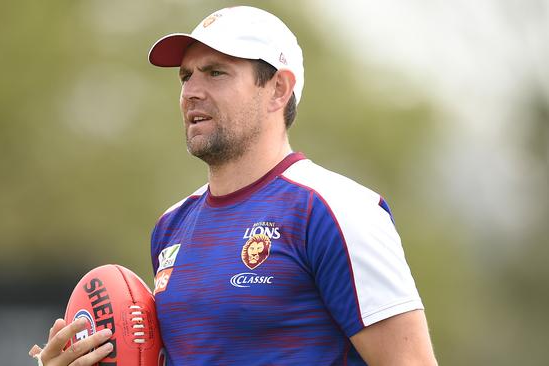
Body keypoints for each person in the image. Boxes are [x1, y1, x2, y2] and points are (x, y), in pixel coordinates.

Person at [30, 6, 437, 365]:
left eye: (216, 72)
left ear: (278, 88)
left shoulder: (336, 211)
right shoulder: (171, 227)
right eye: (186, 76)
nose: (191, 92)